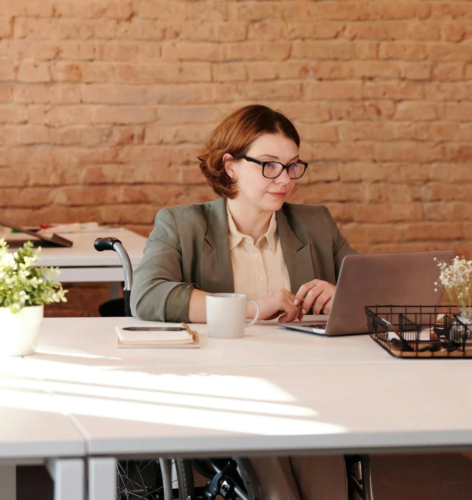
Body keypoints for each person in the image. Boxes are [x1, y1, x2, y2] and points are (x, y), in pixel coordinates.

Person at [131, 104, 356, 500]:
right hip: (228, 391)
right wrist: (250, 308)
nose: (284, 179)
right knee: (276, 482)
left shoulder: (316, 223)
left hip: (312, 387)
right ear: (230, 166)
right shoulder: (182, 224)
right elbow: (147, 296)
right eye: (269, 165)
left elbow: (374, 294)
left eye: (292, 166)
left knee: (322, 472)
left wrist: (344, 295)